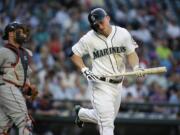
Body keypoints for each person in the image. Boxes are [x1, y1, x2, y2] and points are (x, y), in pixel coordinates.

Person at [70, 8, 144, 135]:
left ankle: (81, 113)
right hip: (99, 84)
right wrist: (84, 69)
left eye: (101, 22)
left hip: (118, 83)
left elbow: (131, 53)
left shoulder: (122, 33)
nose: (99, 26)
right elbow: (73, 54)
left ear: (108, 18)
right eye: (96, 25)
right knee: (107, 124)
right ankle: (83, 114)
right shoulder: (89, 38)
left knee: (107, 118)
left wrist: (136, 67)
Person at [0, 22, 38, 135]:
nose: (24, 34)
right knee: (25, 122)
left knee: (3, 128)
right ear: (11, 34)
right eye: (20, 31)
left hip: (13, 91)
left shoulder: (24, 53)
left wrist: (28, 89)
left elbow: (24, 76)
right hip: (7, 88)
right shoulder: (3, 51)